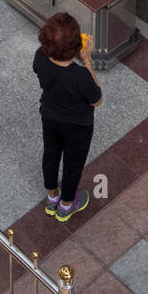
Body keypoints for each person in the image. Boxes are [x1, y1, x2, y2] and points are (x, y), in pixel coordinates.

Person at [33, 13, 102, 223]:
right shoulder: (79, 76)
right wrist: (87, 60)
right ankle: (66, 205)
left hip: (50, 117)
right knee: (73, 164)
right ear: (74, 48)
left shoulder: (39, 56)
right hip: (78, 126)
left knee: (51, 154)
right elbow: (96, 99)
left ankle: (52, 197)